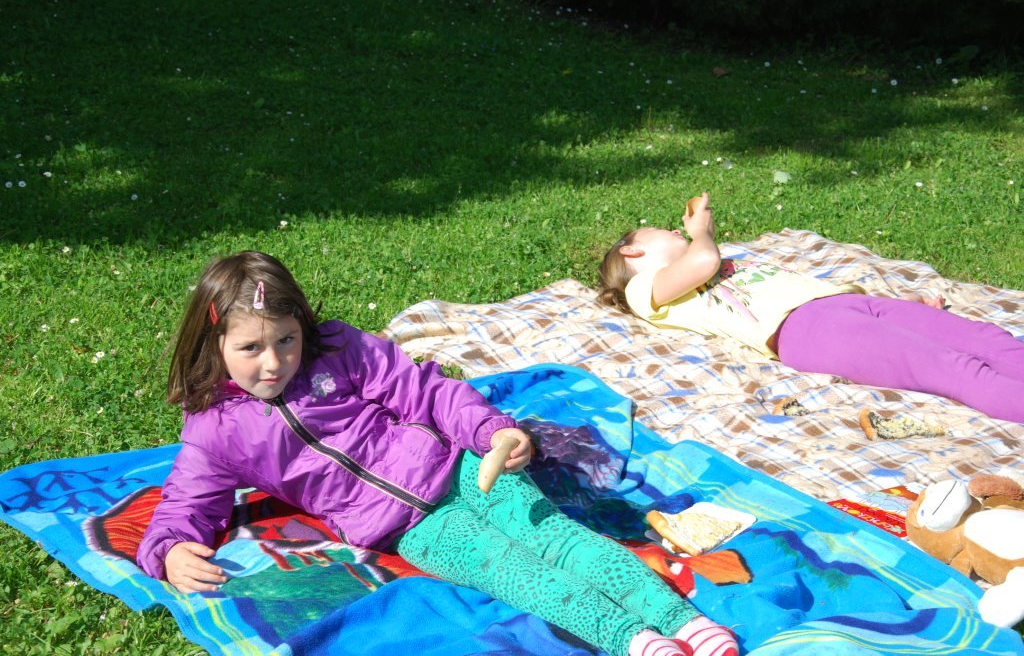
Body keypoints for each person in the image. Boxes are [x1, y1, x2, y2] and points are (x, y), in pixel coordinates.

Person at [138, 251, 738, 656]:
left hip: (467, 469)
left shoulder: (339, 350)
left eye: (287, 340)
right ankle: (634, 641)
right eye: (251, 348)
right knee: (515, 571)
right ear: (214, 344)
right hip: (409, 529)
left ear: (303, 326)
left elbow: (427, 392)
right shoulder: (214, 429)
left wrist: (492, 433)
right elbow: (186, 500)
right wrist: (168, 549)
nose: (274, 362)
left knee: (559, 538)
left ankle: (683, 620)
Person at [598, 192, 1024, 424]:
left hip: (848, 305)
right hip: (808, 332)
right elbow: (703, 261)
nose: (676, 231)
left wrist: (901, 307)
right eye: (661, 230)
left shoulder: (716, 259)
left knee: (986, 338)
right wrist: (700, 232)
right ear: (632, 250)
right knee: (955, 367)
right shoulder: (644, 289)